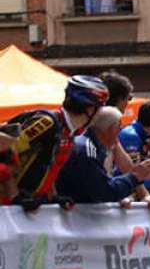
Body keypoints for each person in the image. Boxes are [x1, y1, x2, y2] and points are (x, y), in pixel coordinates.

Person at [9, 75, 110, 207]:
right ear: (89, 109)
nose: (101, 113)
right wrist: (15, 196)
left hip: (30, 206)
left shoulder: (69, 131)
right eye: (100, 107)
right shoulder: (47, 123)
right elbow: (4, 152)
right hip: (7, 208)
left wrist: (53, 196)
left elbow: (50, 168)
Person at [57, 107, 150, 205]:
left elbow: (101, 185)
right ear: (111, 129)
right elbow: (103, 192)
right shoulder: (88, 149)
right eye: (119, 128)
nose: (120, 133)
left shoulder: (92, 145)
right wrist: (136, 176)